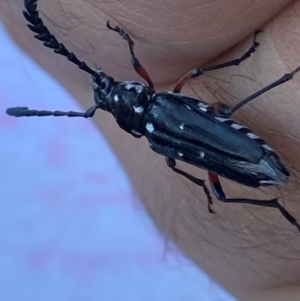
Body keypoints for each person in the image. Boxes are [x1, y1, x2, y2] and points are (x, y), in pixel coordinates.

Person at [1, 0, 300, 299]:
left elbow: (176, 163)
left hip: (245, 162)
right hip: (247, 150)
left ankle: (275, 204)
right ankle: (286, 77)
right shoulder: (162, 105)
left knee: (217, 184)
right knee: (222, 105)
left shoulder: (157, 141)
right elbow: (191, 72)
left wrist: (200, 182)